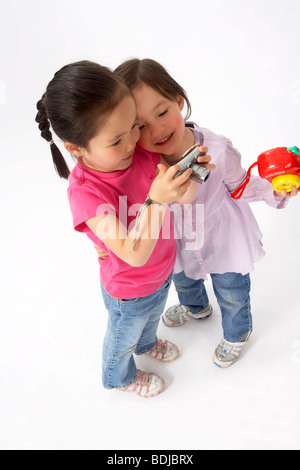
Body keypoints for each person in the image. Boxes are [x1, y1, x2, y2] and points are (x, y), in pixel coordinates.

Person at [95, 58, 298, 369]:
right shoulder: (139, 161)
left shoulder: (216, 148)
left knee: (232, 290)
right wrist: (107, 237)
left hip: (222, 235)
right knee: (184, 281)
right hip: (173, 240)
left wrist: (275, 189)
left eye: (162, 112)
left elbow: (240, 184)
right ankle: (196, 308)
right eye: (140, 126)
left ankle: (237, 332)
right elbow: (127, 199)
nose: (157, 130)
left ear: (179, 101)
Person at [35, 60, 213, 397]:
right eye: (117, 140)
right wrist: (157, 201)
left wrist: (188, 173)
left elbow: (185, 198)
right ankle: (119, 377)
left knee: (150, 321)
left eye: (134, 126)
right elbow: (133, 253)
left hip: (162, 275)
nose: (134, 141)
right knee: (121, 340)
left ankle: (147, 344)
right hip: (128, 290)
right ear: (76, 149)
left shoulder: (140, 155)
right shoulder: (86, 192)